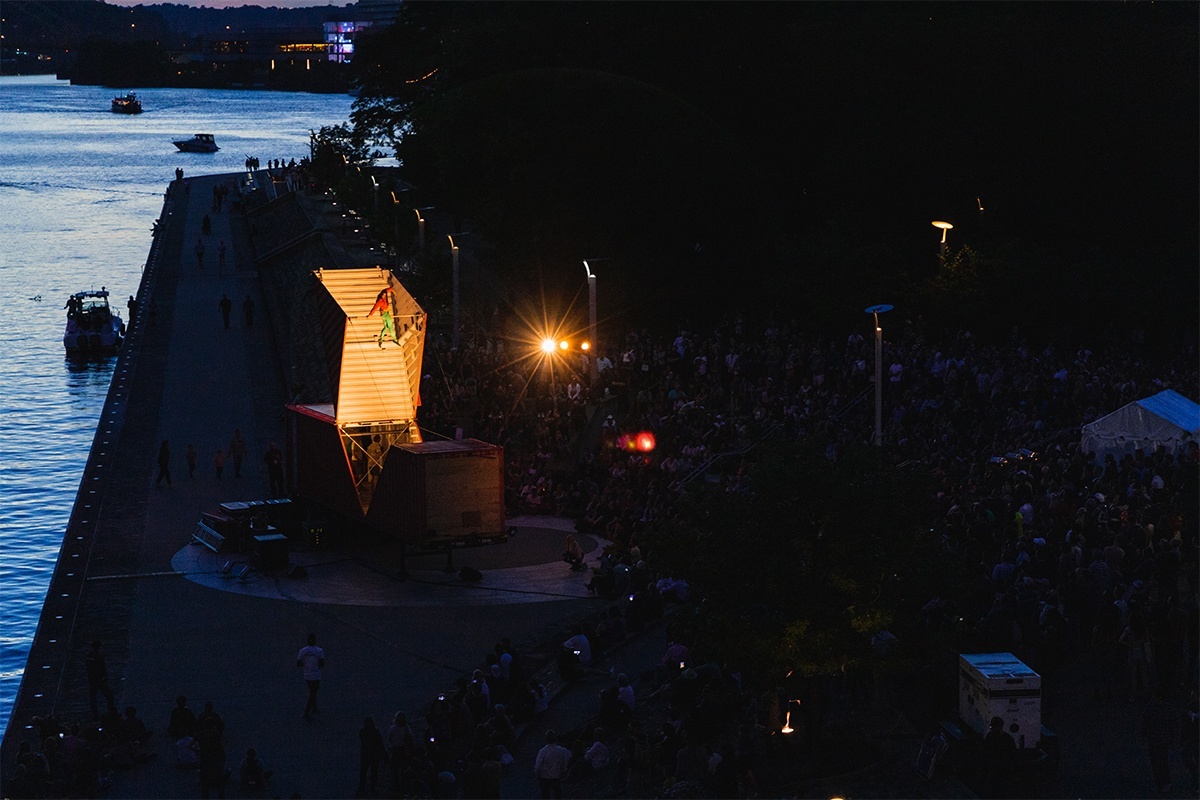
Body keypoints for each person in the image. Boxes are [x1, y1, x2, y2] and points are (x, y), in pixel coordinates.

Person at [534, 729, 571, 799]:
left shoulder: (542, 751)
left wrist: (537, 774)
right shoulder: (560, 750)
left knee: (545, 795)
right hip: (556, 776)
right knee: (557, 794)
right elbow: (564, 762)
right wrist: (562, 771)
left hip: (544, 776)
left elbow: (538, 766)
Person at [296, 633, 325, 720]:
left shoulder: (302, 651)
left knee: (312, 690)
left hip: (307, 674)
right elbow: (322, 663)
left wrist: (306, 663)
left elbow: (298, 663)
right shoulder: (319, 651)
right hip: (316, 674)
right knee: (313, 692)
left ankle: (314, 707)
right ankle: (307, 712)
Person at [85, 640, 117, 719]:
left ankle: (96, 714)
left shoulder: (93, 656)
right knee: (107, 696)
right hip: (97, 679)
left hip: (96, 679)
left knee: (95, 697)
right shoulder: (94, 656)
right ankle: (108, 712)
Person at [358, 716, 387, 795]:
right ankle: (372, 788)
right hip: (374, 756)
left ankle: (362, 788)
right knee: (373, 772)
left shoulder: (362, 732)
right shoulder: (376, 732)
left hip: (365, 755)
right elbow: (380, 744)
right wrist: (384, 756)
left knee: (363, 772)